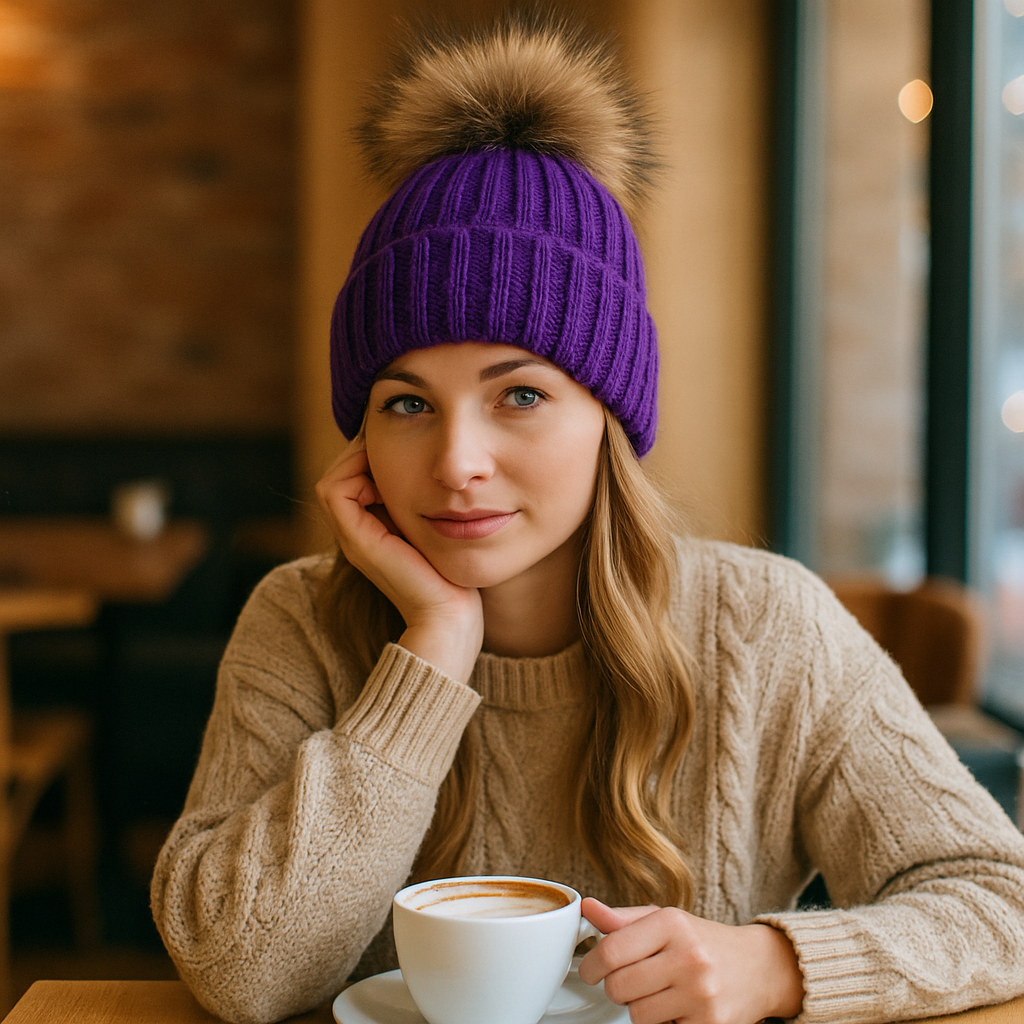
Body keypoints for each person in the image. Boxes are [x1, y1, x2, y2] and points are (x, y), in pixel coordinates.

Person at [151, 13, 1024, 1024]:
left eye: (519, 395)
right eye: (405, 403)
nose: (455, 462)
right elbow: (239, 970)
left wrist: (773, 966)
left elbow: (1000, 900)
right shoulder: (299, 621)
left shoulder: (766, 626)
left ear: (608, 416)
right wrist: (431, 654)